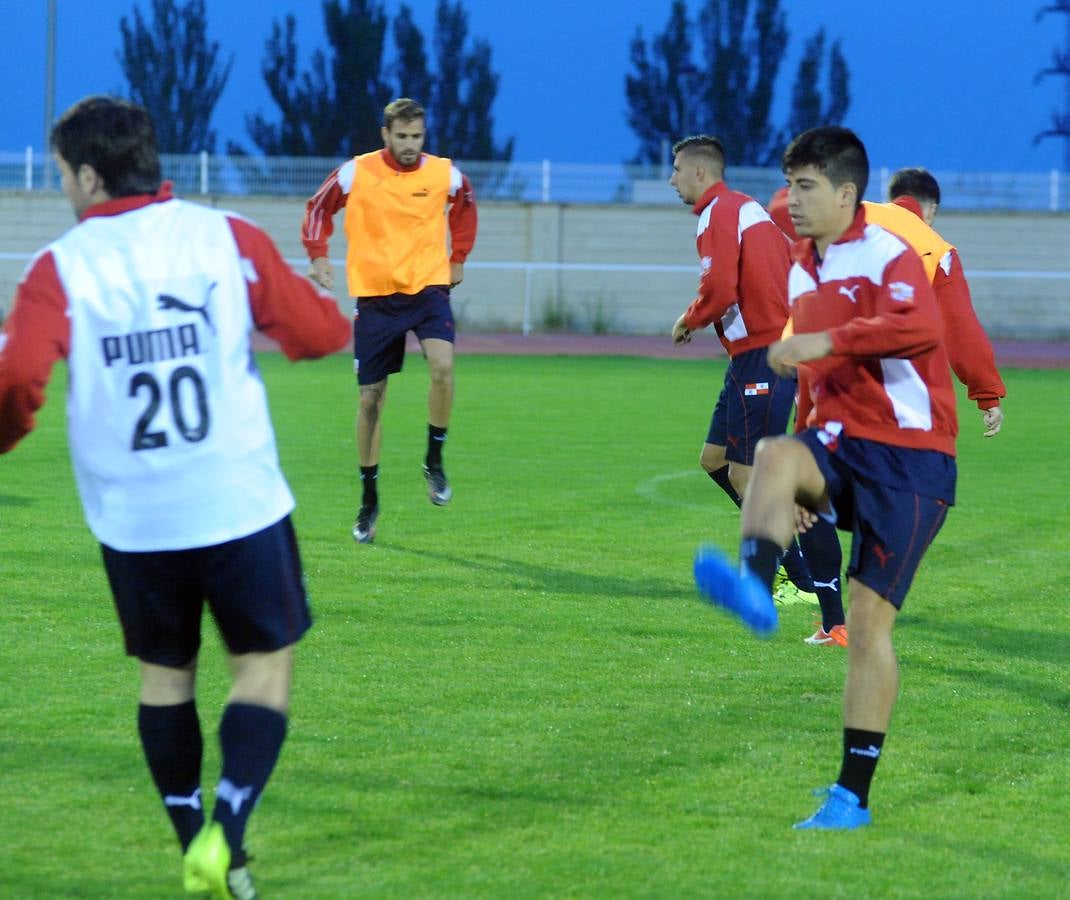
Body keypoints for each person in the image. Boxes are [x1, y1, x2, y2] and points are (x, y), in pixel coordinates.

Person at [0, 96, 350, 897]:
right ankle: (228, 833)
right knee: (262, 671)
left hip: (134, 521)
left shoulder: (59, 267)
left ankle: (196, 841)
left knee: (165, 680)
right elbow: (318, 335)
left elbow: (17, 375)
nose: (63, 187)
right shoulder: (224, 236)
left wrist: (4, 433)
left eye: (63, 174)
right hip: (237, 504)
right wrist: (322, 312)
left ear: (91, 176)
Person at [693, 126, 958, 829]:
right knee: (776, 456)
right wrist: (806, 475)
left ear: (847, 193)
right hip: (845, 440)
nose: (792, 200)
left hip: (913, 457)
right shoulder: (803, 265)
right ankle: (757, 586)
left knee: (868, 631)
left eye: (806, 186)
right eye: (789, 185)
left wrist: (828, 339)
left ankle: (852, 797)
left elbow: (921, 328)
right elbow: (814, 374)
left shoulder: (886, 251)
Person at [301, 97, 478, 544]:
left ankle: (433, 461)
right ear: (386, 135)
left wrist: (458, 257)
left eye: (416, 136)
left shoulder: (444, 173)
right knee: (370, 401)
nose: (409, 144)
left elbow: (465, 204)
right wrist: (318, 256)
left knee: (443, 367)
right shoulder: (356, 172)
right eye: (401, 136)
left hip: (428, 290)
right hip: (377, 299)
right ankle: (369, 499)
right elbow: (318, 208)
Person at [668, 135, 821, 609]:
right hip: (754, 353)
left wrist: (689, 319)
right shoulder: (743, 208)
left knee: (746, 473)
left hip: (764, 352)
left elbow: (719, 287)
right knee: (714, 460)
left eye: (676, 169)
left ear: (699, 172)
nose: (672, 180)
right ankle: (790, 564)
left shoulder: (719, 212)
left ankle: (797, 577)